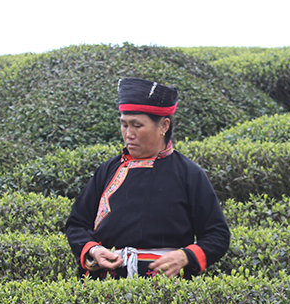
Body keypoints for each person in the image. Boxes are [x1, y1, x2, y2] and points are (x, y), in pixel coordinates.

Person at [65, 77, 230, 280]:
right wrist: (94, 250)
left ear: (163, 126)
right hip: (105, 287)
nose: (128, 134)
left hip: (165, 290)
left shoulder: (188, 173)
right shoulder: (108, 169)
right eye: (124, 125)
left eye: (137, 125)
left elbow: (218, 235)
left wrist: (185, 256)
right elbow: (76, 224)